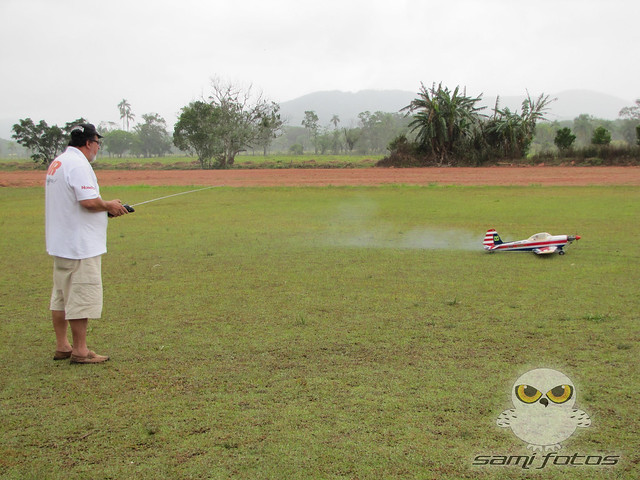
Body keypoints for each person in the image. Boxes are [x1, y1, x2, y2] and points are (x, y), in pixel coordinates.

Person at [45, 123, 129, 364]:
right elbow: (89, 201)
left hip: (62, 242)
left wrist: (106, 210)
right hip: (80, 245)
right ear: (89, 143)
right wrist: (109, 205)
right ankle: (80, 351)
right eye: (97, 143)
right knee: (79, 295)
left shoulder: (58, 162)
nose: (98, 148)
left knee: (61, 295)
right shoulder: (79, 164)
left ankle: (63, 346)